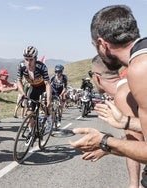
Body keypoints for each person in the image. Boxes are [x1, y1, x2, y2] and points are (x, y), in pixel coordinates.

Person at [69, 5, 147, 186]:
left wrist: (104, 141)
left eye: (95, 46)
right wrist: (126, 122)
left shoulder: (140, 68)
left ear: (103, 44)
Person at [87, 55, 144, 188]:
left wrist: (133, 184)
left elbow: (134, 140)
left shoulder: (122, 94)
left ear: (97, 77)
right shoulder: (127, 86)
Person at [17, 46, 52, 145]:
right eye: (26, 59)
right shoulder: (21, 66)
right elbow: (19, 80)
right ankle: (31, 132)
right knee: (29, 113)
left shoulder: (42, 67)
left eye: (31, 60)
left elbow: (48, 84)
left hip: (43, 88)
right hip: (33, 88)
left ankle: (49, 119)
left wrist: (49, 100)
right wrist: (22, 93)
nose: (28, 62)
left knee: (45, 104)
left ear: (36, 58)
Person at [50, 64, 68, 129]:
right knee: (52, 107)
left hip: (61, 92)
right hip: (53, 91)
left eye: (59, 72)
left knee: (60, 107)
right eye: (56, 72)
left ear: (61, 72)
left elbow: (65, 88)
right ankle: (52, 118)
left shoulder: (64, 78)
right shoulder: (53, 77)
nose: (57, 74)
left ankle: (59, 119)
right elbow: (48, 85)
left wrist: (61, 94)